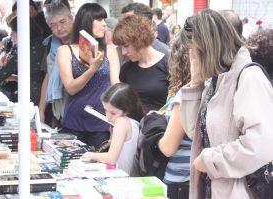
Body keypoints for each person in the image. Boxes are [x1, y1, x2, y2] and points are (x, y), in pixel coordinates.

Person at [179, 9, 273, 198]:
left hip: (239, 190)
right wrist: (195, 83)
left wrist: (210, 160)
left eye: (193, 48)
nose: (192, 55)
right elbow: (194, 133)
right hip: (213, 188)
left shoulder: (249, 78)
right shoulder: (215, 80)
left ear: (208, 47)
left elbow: (261, 145)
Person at [57, 3, 120, 148]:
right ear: (86, 21)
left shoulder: (109, 50)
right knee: (72, 166)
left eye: (104, 19)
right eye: (99, 20)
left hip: (102, 122)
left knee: (98, 167)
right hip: (74, 120)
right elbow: (71, 88)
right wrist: (92, 69)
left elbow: (116, 85)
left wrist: (119, 115)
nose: (104, 24)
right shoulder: (65, 50)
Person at [0, 15, 46, 106]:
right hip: (43, 98)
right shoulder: (41, 45)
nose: (11, 34)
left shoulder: (24, 52)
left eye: (13, 31)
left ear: (21, 32)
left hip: (34, 99)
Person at [82, 82, 145, 174]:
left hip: (120, 178)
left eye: (113, 113)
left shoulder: (121, 122)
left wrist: (89, 154)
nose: (108, 117)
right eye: (105, 110)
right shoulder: (135, 122)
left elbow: (111, 159)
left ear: (127, 110)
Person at [157, 32, 191, 199]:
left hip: (179, 180)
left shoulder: (185, 96)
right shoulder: (208, 88)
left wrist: (155, 136)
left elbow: (168, 147)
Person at [113, 14, 169, 113]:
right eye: (121, 47)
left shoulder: (167, 63)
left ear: (139, 40)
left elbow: (177, 103)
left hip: (161, 125)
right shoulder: (127, 68)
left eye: (126, 46)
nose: (123, 52)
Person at [39, 0, 73, 127]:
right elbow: (48, 77)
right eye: (53, 25)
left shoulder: (83, 42)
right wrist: (41, 111)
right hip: (58, 109)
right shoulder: (50, 44)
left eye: (62, 22)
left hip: (80, 109)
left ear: (71, 18)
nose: (59, 28)